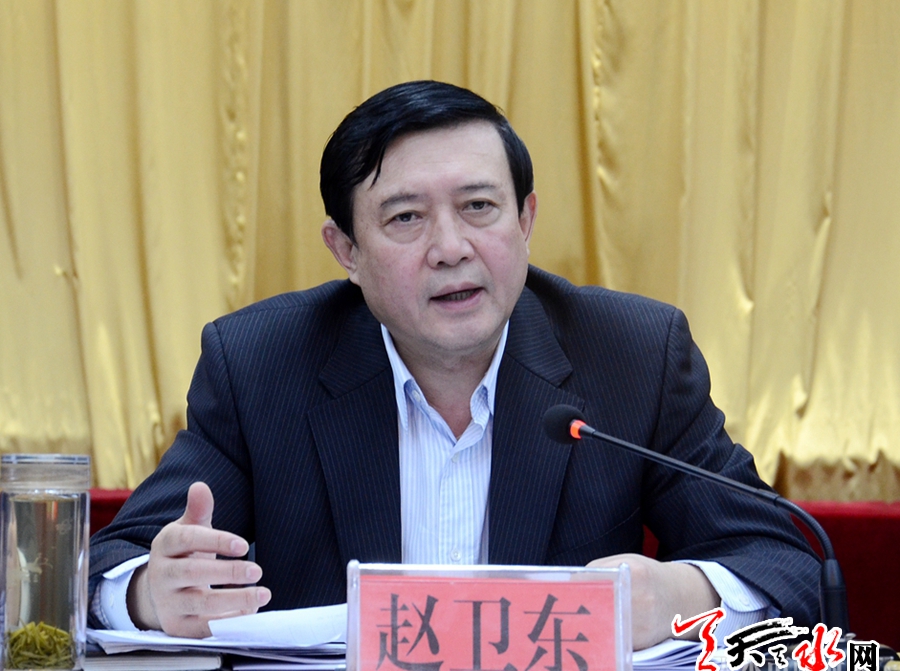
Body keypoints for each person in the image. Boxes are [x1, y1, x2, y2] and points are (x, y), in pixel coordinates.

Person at [88, 80, 820, 649]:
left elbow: (782, 561)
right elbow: (108, 564)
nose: (450, 248)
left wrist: (676, 597)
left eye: (479, 207)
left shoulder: (632, 354)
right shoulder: (261, 364)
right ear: (347, 250)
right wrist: (151, 592)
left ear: (525, 220)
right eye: (405, 217)